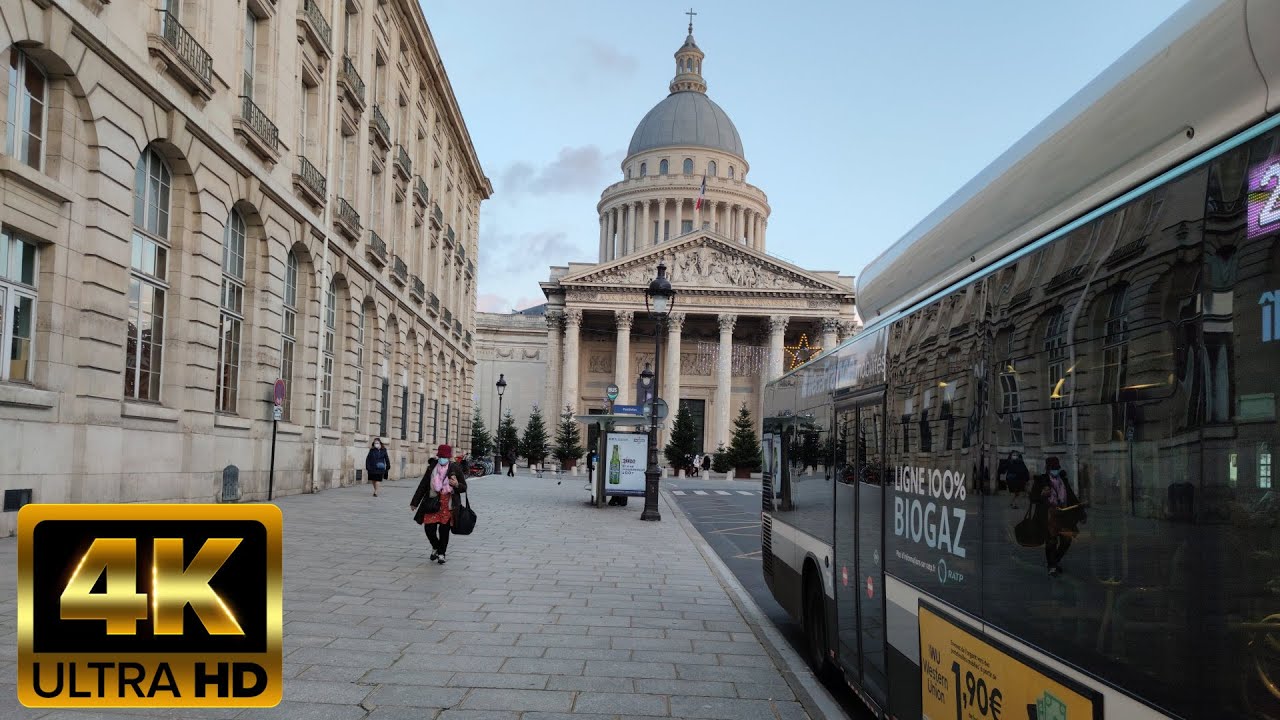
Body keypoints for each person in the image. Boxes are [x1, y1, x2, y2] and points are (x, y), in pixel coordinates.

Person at [411, 444, 468, 564]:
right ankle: (436, 546)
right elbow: (423, 485)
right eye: (441, 456)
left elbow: (464, 487)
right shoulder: (432, 467)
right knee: (429, 529)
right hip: (432, 502)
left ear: (449, 457)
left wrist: (456, 484)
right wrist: (415, 502)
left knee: (444, 531)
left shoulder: (455, 468)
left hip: (447, 505)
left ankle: (442, 553)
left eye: (445, 457)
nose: (443, 459)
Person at [1030, 456, 1085, 577]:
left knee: (1067, 540)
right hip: (1049, 514)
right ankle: (1052, 567)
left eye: (1057, 468)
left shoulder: (1063, 480)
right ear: (1048, 469)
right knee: (1051, 541)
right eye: (1053, 468)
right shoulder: (1041, 480)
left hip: (1064, 514)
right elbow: (1033, 498)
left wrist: (1081, 513)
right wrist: (1042, 494)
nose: (1055, 470)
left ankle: (1055, 561)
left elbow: (1071, 497)